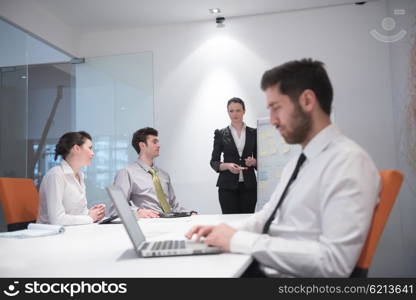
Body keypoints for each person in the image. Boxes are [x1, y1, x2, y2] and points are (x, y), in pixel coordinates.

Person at [186, 59, 381, 277]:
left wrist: (238, 240)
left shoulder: (348, 162)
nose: (272, 121)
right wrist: (226, 231)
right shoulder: (298, 162)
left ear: (307, 101)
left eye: (276, 108)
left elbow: (333, 263)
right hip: (270, 266)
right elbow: (267, 216)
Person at [111, 127, 196, 218]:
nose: (159, 145)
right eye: (154, 142)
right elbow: (116, 209)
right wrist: (138, 212)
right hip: (148, 225)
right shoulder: (127, 173)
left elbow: (174, 206)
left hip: (171, 223)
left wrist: (189, 214)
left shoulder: (164, 175)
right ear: (142, 145)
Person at [37, 131, 105, 225]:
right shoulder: (56, 175)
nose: (93, 153)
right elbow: (57, 219)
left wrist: (91, 213)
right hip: (51, 235)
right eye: (90, 148)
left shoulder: (80, 175)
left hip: (72, 232)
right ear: (76, 148)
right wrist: (89, 218)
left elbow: (76, 214)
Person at [210, 97, 257, 214]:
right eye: (231, 111)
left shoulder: (254, 133)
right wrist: (228, 166)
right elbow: (214, 162)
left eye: (238, 110)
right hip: (227, 187)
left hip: (249, 186)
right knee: (229, 222)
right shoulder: (220, 134)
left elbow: (260, 160)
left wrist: (254, 162)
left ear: (244, 111)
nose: (234, 114)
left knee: (247, 222)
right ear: (228, 112)